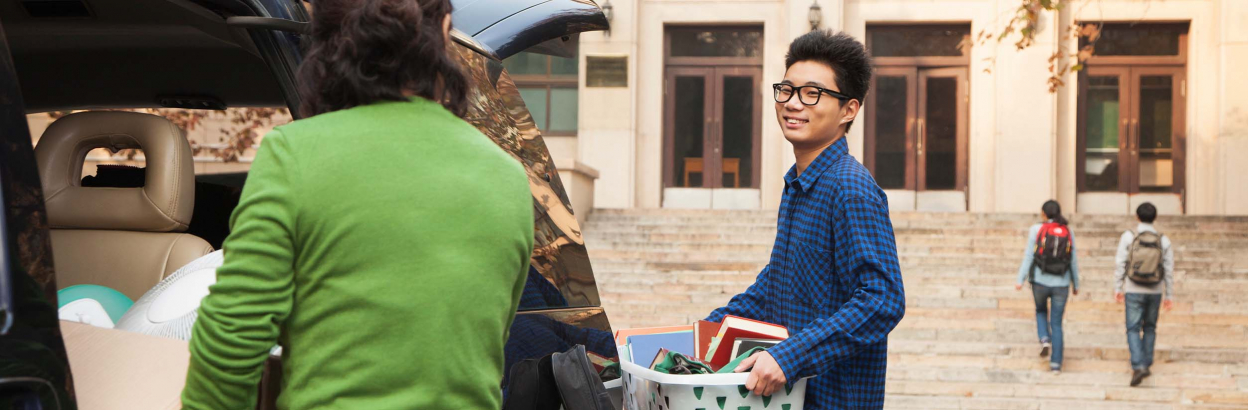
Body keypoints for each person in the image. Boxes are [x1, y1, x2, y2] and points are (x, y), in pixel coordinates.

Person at [181, 0, 535, 408]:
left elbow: (232, 338)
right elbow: (483, 340)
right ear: (443, 33)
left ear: (326, 40)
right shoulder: (508, 178)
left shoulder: (295, 155)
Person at [703, 30, 906, 409]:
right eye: (787, 90)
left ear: (849, 110)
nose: (793, 103)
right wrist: (709, 329)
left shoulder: (850, 186)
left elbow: (882, 299)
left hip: (834, 399)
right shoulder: (799, 184)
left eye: (812, 93)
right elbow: (776, 285)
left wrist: (788, 356)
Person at [1015, 200, 1081, 374]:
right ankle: (1056, 364)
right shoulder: (1068, 231)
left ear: (1043, 213)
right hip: (1062, 282)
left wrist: (1020, 279)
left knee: (1041, 311)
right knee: (1057, 323)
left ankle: (1044, 338)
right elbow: (1073, 260)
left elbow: (1029, 255)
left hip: (1039, 281)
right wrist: (1076, 283)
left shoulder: (1036, 229)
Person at [1114, 202, 1175, 387]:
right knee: (1149, 327)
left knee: (1132, 328)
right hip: (1155, 290)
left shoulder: (1129, 236)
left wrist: (1118, 287)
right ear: (1154, 218)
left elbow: (1120, 263)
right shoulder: (1163, 240)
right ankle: (1146, 363)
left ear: (1137, 216)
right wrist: (1169, 295)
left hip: (1133, 288)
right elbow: (1169, 270)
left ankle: (1138, 364)